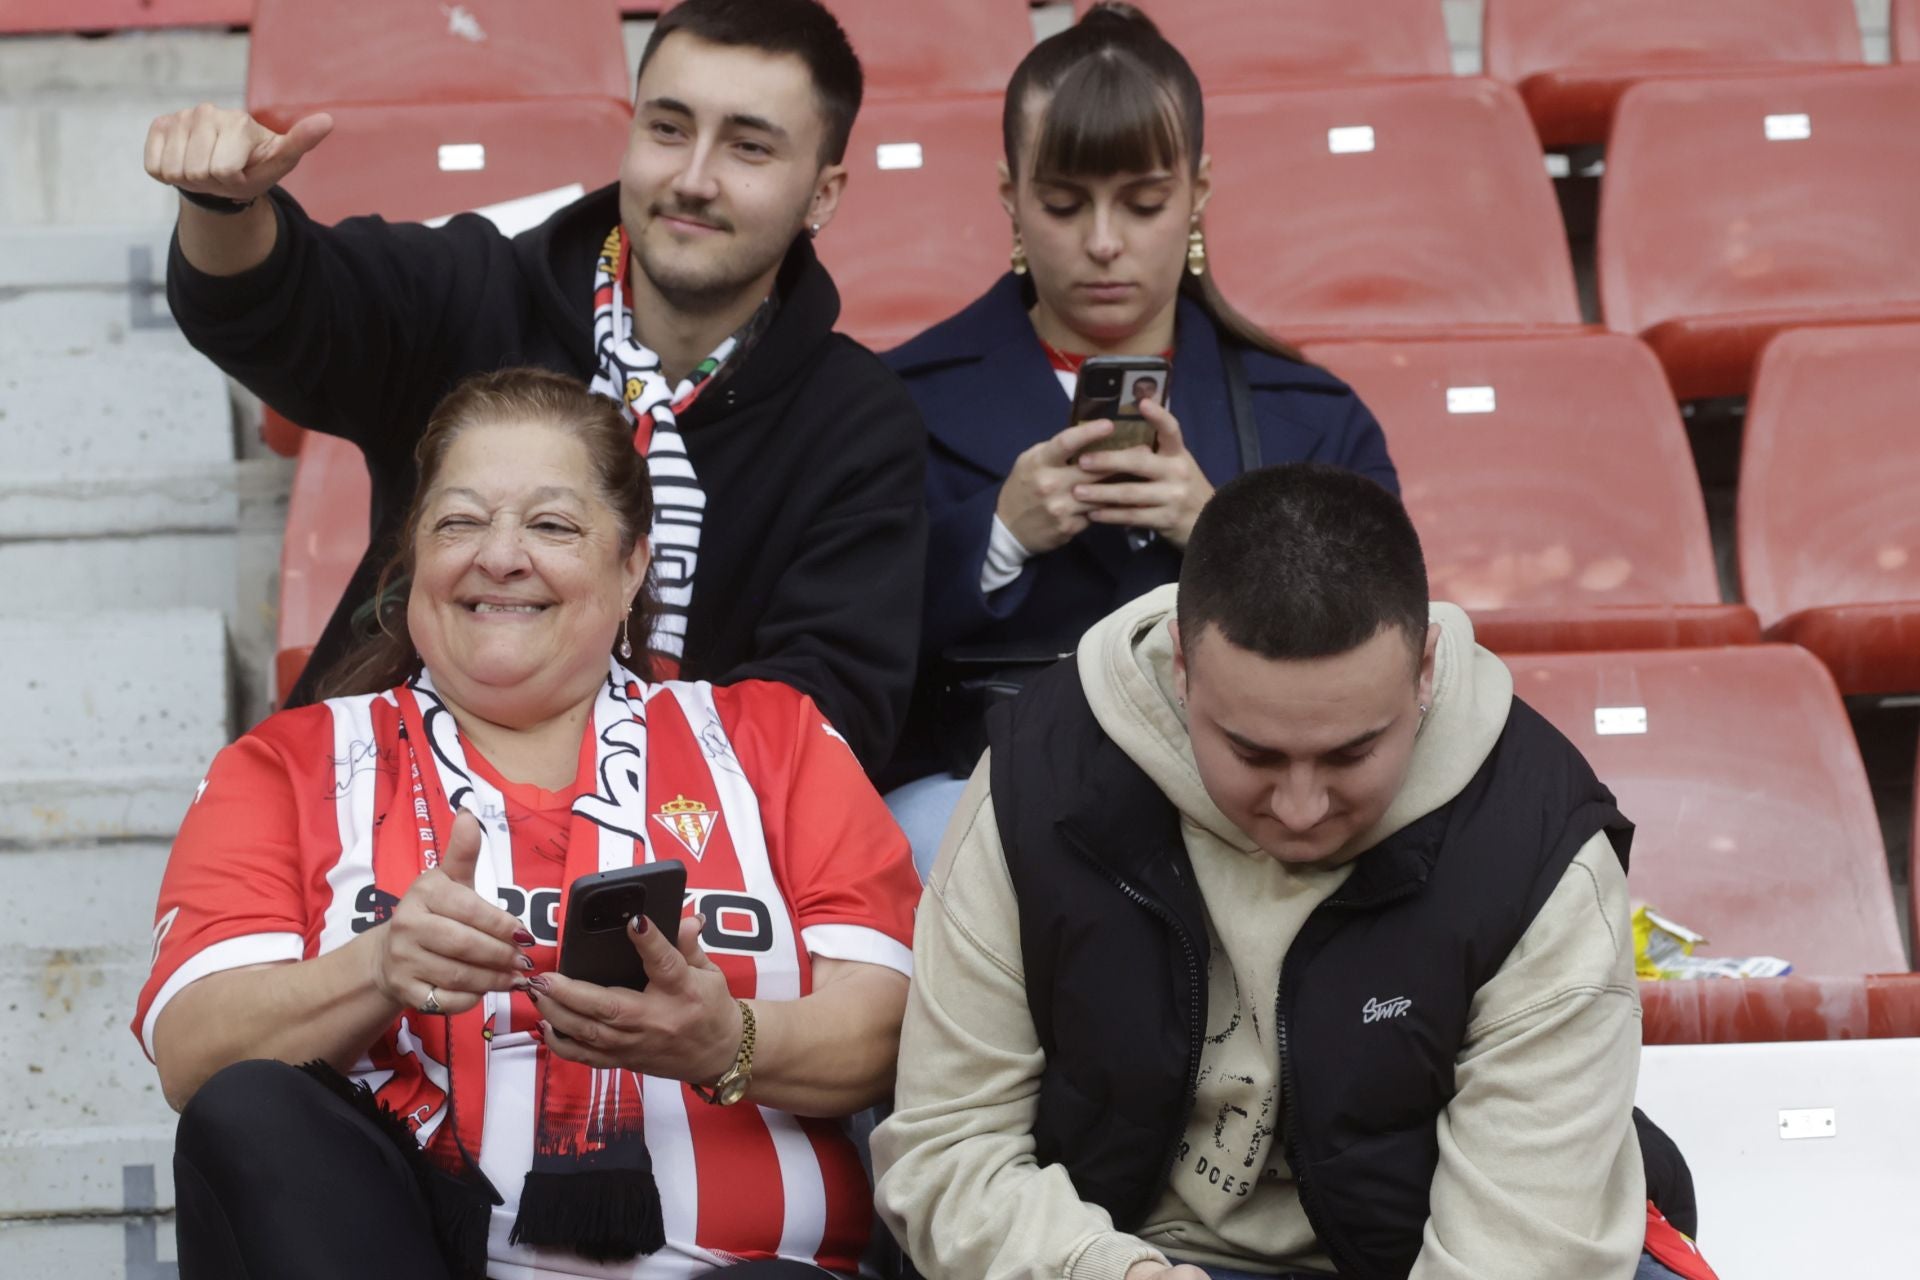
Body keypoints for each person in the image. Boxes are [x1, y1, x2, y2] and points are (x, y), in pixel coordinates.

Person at [134, 369, 921, 1279]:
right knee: (256, 1112)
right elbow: (196, 1058)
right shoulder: (289, 763)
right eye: (460, 522)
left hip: (742, 1266)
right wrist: (377, 968)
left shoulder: (774, 740)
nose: (501, 555)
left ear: (632, 566)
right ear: (414, 557)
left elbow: (896, 1027)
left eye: (552, 525)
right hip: (410, 1258)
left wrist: (726, 1041)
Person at [872, 464, 1706, 1280]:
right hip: (1117, 1250)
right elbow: (947, 1152)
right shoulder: (1039, 780)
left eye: (1350, 754)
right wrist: (1101, 1269)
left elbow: (1522, 1250)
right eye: (1254, 754)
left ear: (1424, 670)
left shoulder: (1539, 843)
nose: (1301, 807)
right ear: (1181, 668)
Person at [143, 0, 925, 770]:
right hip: (386, 803)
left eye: (748, 148)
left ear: (823, 193)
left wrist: (582, 798)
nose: (694, 179)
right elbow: (279, 304)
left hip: (692, 835)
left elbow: (832, 711)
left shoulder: (857, 421)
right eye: (668, 128)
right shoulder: (479, 292)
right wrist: (225, 204)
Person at [879, 4, 1396, 865]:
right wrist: (997, 535)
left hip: (1253, 818)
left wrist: (1225, 534)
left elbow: (1391, 657)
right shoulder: (893, 406)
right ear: (1010, 198)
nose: (1103, 243)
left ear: (1198, 193)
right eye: (1063, 203)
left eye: (1144, 203)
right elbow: (841, 658)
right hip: (979, 803)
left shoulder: (1312, 414)